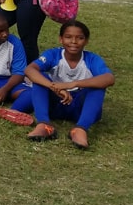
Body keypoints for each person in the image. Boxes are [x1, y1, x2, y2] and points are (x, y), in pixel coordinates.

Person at [12, 20, 114, 149]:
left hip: (79, 108)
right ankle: (44, 124)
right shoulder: (53, 54)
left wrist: (71, 84)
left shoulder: (92, 59)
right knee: (40, 79)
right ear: (61, 39)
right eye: (68, 37)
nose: (74, 42)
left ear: (86, 41)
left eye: (80, 38)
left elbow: (109, 78)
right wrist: (54, 87)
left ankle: (80, 129)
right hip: (55, 105)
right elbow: (29, 70)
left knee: (97, 86)